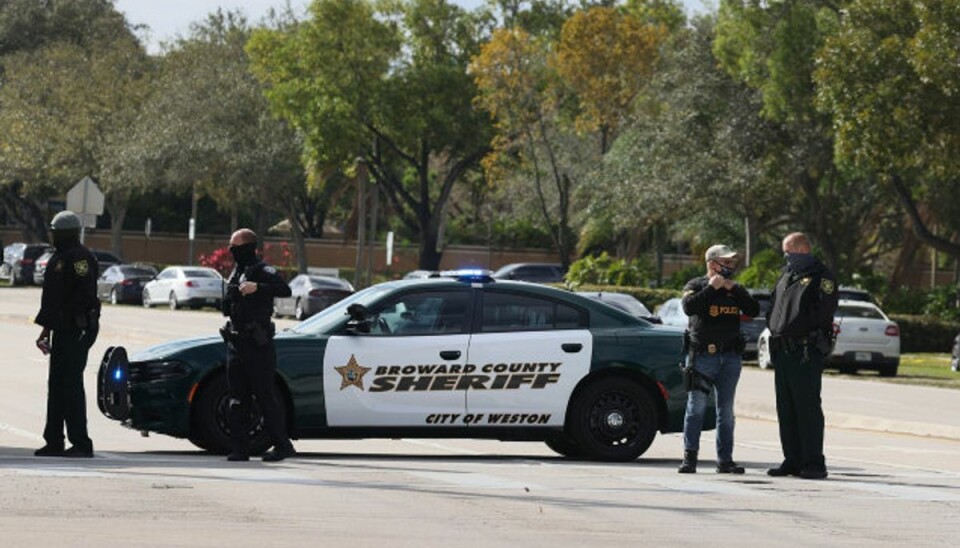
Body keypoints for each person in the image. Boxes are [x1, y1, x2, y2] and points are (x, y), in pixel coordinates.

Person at [678, 244, 759, 474]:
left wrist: (735, 290)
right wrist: (712, 288)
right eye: (727, 262)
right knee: (696, 409)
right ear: (713, 264)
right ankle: (689, 458)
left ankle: (725, 461)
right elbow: (688, 307)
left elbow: (753, 309)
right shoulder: (696, 285)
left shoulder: (735, 289)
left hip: (730, 357)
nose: (731, 266)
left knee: (726, 411)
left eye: (733, 262)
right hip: (704, 357)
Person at [766, 232, 838, 480]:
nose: (785, 256)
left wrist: (797, 330)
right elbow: (774, 307)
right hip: (783, 350)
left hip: (805, 350)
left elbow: (823, 311)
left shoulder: (822, 277)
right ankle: (793, 459)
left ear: (800, 249)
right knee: (786, 408)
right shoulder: (787, 275)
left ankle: (814, 462)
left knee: (806, 407)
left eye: (787, 251)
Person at [220, 228, 295, 462]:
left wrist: (258, 288)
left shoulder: (262, 271)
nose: (232, 252)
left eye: (236, 248)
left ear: (248, 248)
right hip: (236, 342)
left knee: (264, 396)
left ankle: (282, 446)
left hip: (257, 344)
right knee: (237, 399)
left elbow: (285, 290)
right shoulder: (236, 273)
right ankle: (240, 449)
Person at [34, 210, 101, 458]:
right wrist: (46, 329)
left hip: (78, 330)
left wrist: (69, 320)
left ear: (67, 232)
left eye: (56, 230)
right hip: (62, 329)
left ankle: (81, 443)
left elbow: (84, 296)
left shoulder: (80, 258)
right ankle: (54, 441)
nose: (52, 235)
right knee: (57, 385)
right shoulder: (59, 257)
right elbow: (53, 301)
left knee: (71, 386)